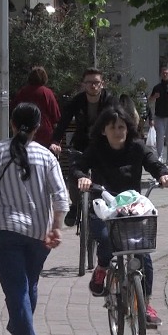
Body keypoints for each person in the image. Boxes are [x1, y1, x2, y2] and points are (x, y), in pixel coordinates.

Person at [0, 102, 69, 335]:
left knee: (17, 288)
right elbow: (60, 194)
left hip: (4, 230)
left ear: (12, 124)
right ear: (38, 127)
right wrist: (57, 225)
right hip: (39, 232)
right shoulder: (46, 156)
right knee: (28, 284)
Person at [70, 104, 168, 326]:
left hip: (131, 210)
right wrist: (83, 178)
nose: (118, 131)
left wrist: (164, 174)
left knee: (143, 254)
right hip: (103, 206)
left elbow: (153, 163)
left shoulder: (136, 147)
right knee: (107, 242)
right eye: (113, 127)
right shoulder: (96, 149)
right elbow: (77, 167)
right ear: (103, 130)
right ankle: (102, 268)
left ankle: (145, 304)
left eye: (122, 127)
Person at [51, 67, 119, 227]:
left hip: (104, 143)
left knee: (105, 174)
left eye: (96, 82)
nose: (93, 86)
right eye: (89, 83)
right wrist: (55, 140)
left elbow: (119, 120)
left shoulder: (110, 100)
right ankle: (75, 206)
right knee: (74, 171)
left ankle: (106, 204)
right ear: (83, 84)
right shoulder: (78, 101)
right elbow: (64, 121)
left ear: (102, 84)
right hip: (81, 143)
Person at [11, 66, 62, 151]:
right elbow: (56, 115)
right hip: (44, 134)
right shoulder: (47, 93)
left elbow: (14, 109)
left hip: (24, 132)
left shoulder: (23, 92)